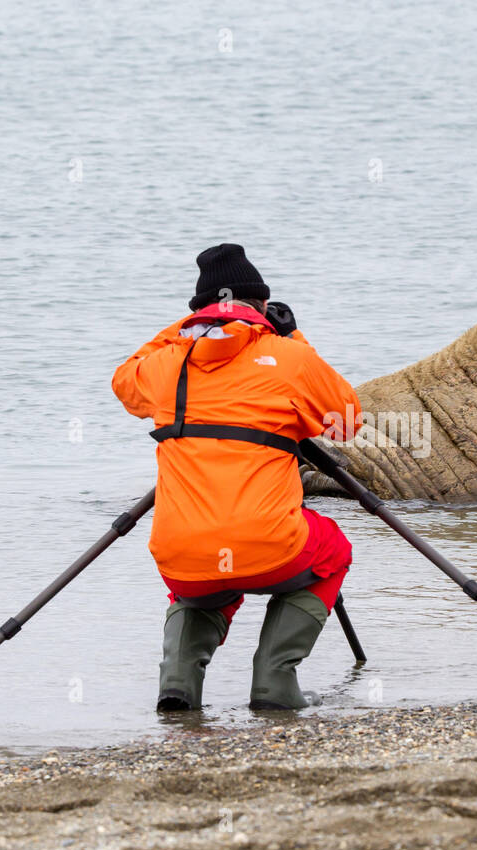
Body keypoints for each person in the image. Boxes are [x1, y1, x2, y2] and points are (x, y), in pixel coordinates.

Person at [112, 244, 362, 711]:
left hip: (180, 555)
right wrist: (292, 337)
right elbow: (346, 420)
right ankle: (274, 681)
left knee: (201, 580)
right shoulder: (289, 357)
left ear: (199, 311)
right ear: (263, 307)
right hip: (273, 548)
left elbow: (124, 380)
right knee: (333, 549)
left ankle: (178, 685)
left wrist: (185, 329)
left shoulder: (168, 364)